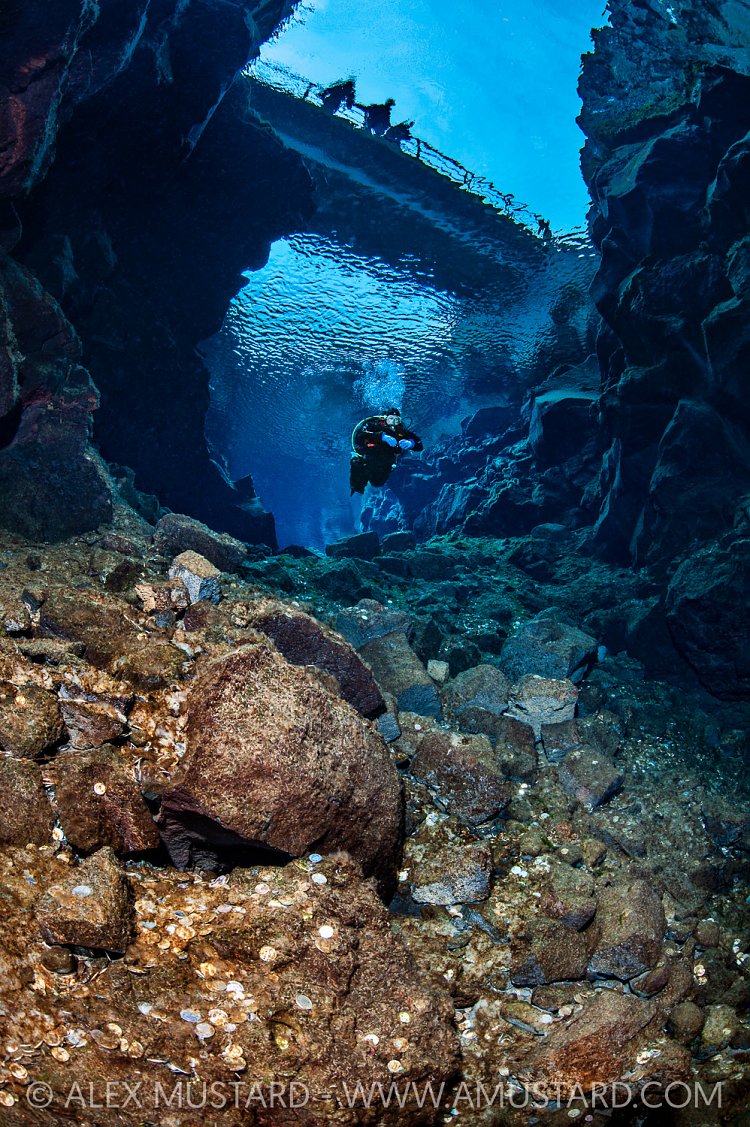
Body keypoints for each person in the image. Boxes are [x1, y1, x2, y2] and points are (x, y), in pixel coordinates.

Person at [350, 407, 423, 495]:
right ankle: (356, 480)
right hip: (370, 457)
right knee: (358, 477)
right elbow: (360, 436)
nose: (393, 422)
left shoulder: (402, 430)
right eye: (391, 419)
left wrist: (411, 443)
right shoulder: (376, 425)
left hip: (387, 461)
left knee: (377, 483)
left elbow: (419, 445)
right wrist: (381, 436)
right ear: (385, 418)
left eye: (396, 419)